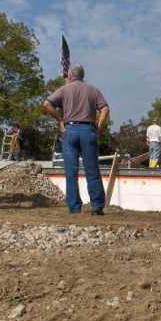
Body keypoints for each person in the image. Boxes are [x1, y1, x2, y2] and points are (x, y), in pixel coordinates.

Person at [43, 64, 110, 215]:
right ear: (82, 76)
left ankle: (74, 208)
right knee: (92, 169)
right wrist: (99, 127)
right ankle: (97, 206)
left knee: (71, 171)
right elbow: (105, 108)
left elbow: (47, 104)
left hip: (70, 130)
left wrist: (60, 120)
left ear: (71, 75)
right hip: (88, 130)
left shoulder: (64, 89)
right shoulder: (93, 90)